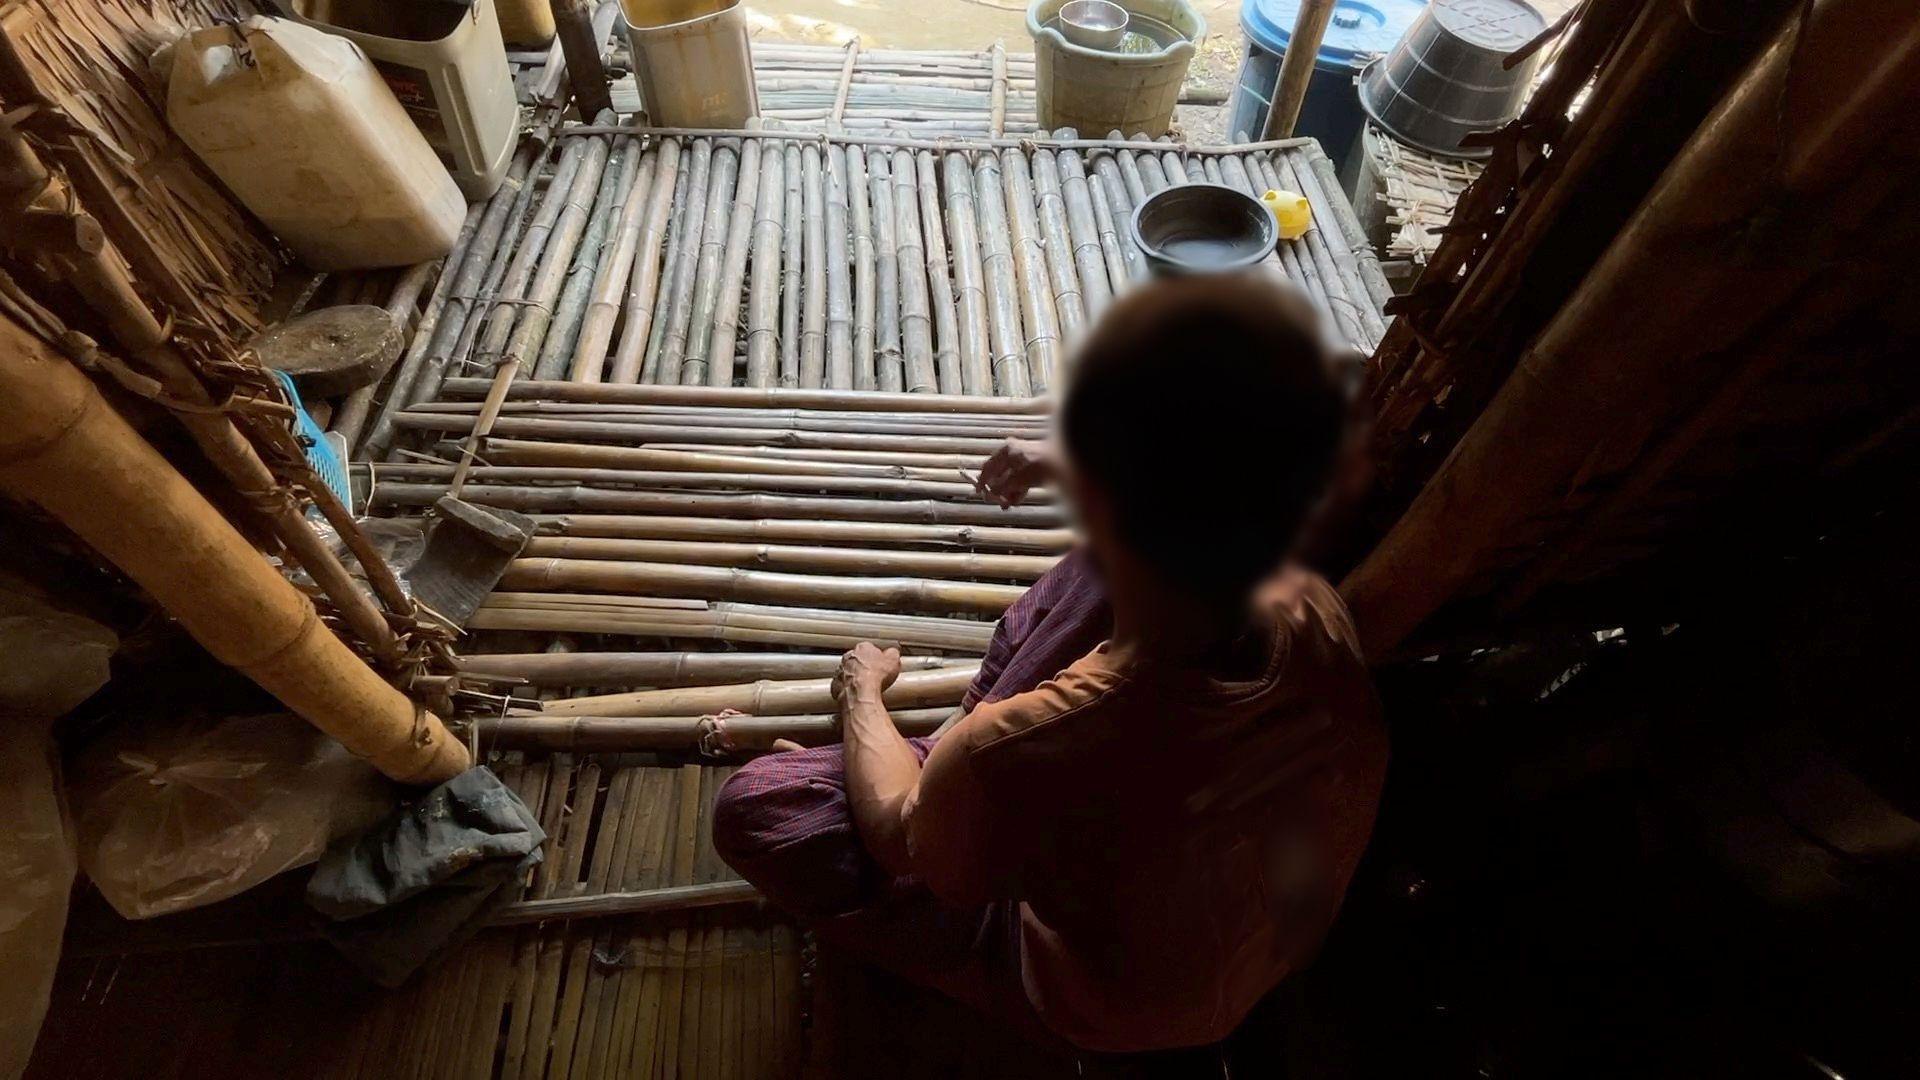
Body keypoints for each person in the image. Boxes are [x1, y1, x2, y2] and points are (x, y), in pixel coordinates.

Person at [712, 274, 1388, 1055]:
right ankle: (929, 775)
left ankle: (943, 837)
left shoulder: (1032, 740)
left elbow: (902, 841)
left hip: (1100, 1002)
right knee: (1080, 587)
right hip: (1254, 945)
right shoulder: (1312, 606)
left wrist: (860, 695)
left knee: (761, 804)